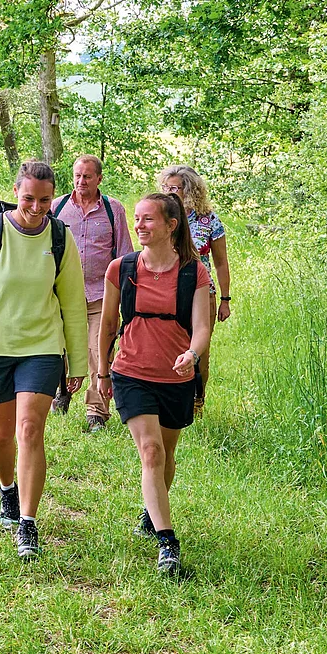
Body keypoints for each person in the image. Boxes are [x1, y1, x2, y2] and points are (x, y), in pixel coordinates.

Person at [0, 160, 91, 561]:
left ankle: (27, 523)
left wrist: (76, 362)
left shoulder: (60, 238)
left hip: (42, 347)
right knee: (1, 436)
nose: (36, 206)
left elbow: (73, 305)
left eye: (45, 199)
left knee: (30, 429)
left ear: (54, 197)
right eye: (28, 198)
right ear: (16, 192)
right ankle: (7, 491)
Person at [98, 191, 215, 576]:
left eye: (148, 219)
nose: (139, 225)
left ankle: (152, 512)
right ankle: (168, 544)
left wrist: (192, 356)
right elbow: (109, 326)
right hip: (131, 372)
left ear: (171, 225)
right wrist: (102, 371)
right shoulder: (122, 268)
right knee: (150, 452)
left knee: (165, 454)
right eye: (136, 218)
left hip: (176, 376)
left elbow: (201, 329)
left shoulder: (193, 272)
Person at [50, 154, 129, 432]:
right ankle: (61, 392)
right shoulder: (57, 207)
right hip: (63, 294)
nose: (81, 181)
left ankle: (96, 412)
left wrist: (126, 297)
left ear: (99, 179)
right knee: (61, 347)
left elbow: (124, 255)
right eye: (77, 176)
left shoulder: (113, 209)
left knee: (99, 351)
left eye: (87, 176)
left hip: (101, 295)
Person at [158, 165, 232, 331]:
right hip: (166, 293)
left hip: (202, 292)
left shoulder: (209, 219)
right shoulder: (160, 218)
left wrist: (225, 300)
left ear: (190, 190)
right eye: (166, 187)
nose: (168, 192)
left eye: (174, 188)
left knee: (200, 353)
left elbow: (221, 263)